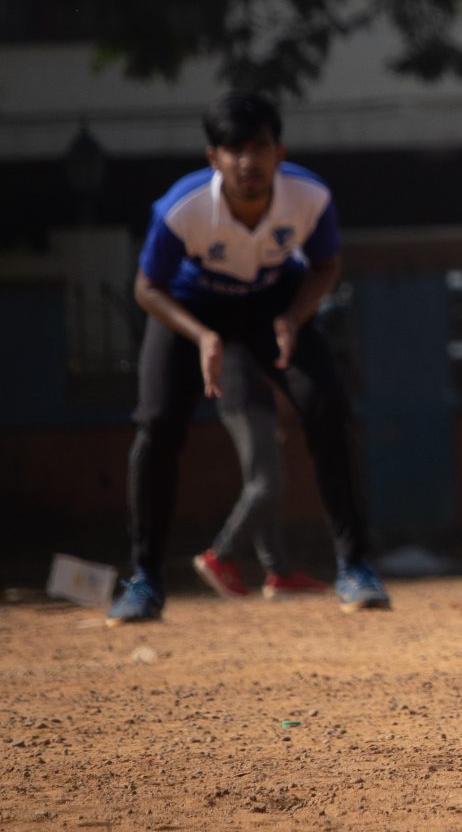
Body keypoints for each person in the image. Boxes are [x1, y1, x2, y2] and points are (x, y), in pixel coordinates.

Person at [112, 93, 386, 622]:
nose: (248, 161)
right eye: (233, 148)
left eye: (259, 146)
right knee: (156, 427)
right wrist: (203, 337)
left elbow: (327, 265)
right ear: (212, 157)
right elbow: (148, 288)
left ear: (279, 151)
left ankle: (356, 567)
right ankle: (144, 579)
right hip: (193, 307)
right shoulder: (182, 209)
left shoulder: (308, 197)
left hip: (273, 302)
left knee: (329, 409)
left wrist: (294, 317)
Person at [188, 350, 331, 599]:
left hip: (246, 395)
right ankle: (220, 555)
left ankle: (279, 572)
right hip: (246, 394)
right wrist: (279, 389)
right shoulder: (249, 319)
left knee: (262, 486)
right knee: (266, 485)